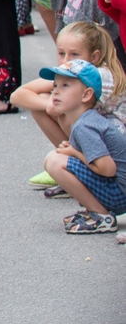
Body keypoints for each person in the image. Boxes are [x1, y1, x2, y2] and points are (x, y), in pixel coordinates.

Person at [14, 21, 124, 185]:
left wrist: (53, 102)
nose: (66, 61)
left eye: (74, 55)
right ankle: (72, 165)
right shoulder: (77, 71)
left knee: (66, 113)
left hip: (118, 146)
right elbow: (17, 95)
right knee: (45, 106)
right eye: (61, 53)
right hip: (99, 133)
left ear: (94, 57)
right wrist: (50, 102)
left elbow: (54, 108)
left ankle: (79, 172)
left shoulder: (99, 75)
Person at [37, 60, 126, 234]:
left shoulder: (84, 126)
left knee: (55, 161)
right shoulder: (86, 120)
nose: (55, 91)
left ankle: (102, 217)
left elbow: (108, 169)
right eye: (55, 85)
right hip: (118, 190)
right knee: (55, 158)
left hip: (120, 193)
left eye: (65, 85)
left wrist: (73, 152)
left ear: (86, 95)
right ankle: (96, 210)